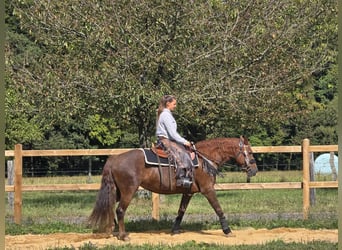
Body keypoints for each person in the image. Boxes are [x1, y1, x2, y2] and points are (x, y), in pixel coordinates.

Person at [156, 95, 193, 187]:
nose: (175, 106)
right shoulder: (166, 115)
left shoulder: (166, 114)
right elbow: (173, 134)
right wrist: (185, 141)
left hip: (168, 140)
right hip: (166, 141)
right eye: (174, 104)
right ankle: (181, 179)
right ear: (168, 103)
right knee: (183, 155)